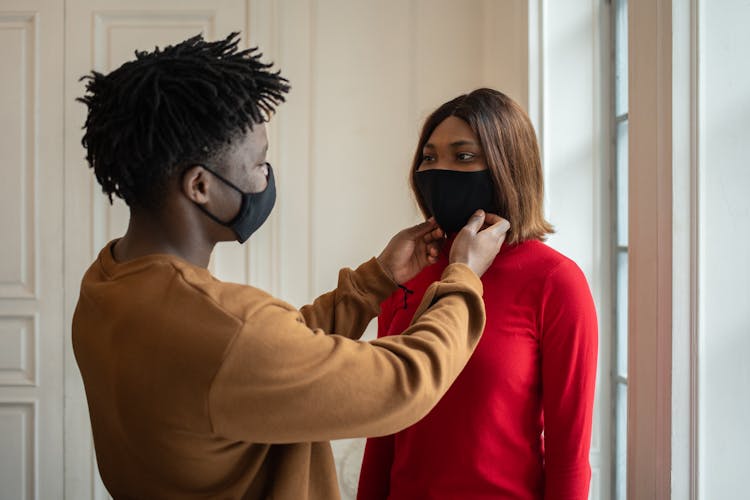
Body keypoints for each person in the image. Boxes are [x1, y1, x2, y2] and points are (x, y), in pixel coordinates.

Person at [71, 33, 511, 500]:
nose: (266, 177)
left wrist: (374, 280)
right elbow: (404, 382)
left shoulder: (106, 283)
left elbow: (271, 357)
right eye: (259, 163)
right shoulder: (229, 331)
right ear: (199, 186)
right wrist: (461, 275)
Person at [358, 88, 598, 500]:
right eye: (429, 157)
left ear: (507, 165)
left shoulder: (556, 282)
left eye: (463, 156)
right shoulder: (410, 270)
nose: (439, 169)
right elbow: (384, 428)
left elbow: (569, 455)